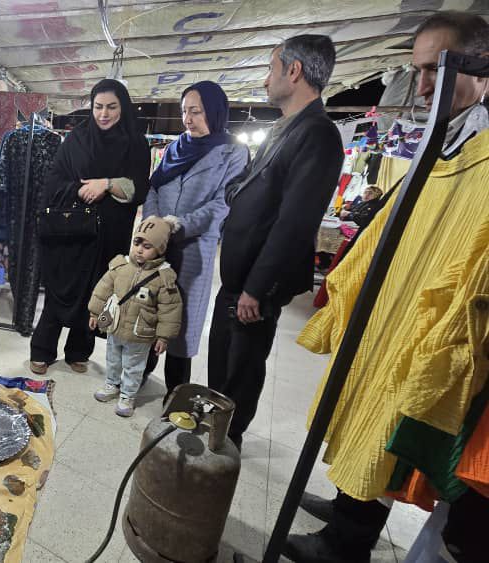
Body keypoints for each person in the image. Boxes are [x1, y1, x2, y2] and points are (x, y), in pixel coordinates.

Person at [285, 12, 489, 563]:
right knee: (361, 411)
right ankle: (345, 509)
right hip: (389, 309)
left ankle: (346, 543)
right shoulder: (443, 142)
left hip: (425, 322)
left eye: (435, 70)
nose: (422, 87)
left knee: (386, 428)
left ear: (479, 68)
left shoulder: (479, 153)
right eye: (418, 71)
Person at [207, 34, 344, 450]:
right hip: (238, 282)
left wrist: (257, 287)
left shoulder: (318, 135)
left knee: (240, 372)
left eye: (271, 69)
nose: (267, 80)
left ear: (294, 70)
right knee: (222, 370)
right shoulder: (287, 129)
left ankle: (224, 447)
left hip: (254, 289)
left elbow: (294, 223)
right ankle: (214, 437)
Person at [30, 79, 151, 375]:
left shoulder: (136, 144)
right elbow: (53, 182)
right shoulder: (77, 139)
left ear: (123, 108)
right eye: (98, 107)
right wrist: (81, 189)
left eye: (111, 107)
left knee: (98, 291)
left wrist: (106, 184)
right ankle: (42, 350)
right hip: (72, 231)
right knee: (62, 288)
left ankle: (78, 351)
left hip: (110, 234)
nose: (103, 114)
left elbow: (139, 189)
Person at [143, 81, 249, 400]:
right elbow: (153, 187)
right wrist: (153, 225)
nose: (188, 119)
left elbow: (222, 203)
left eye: (196, 111)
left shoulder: (233, 152)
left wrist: (177, 226)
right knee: (148, 310)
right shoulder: (176, 147)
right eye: (184, 111)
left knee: (182, 322)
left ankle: (176, 392)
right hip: (157, 246)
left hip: (193, 249)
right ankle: (139, 372)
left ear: (214, 112)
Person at [88, 217, 183, 417]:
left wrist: (164, 336)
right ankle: (111, 384)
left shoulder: (164, 277)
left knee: (134, 367)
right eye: (137, 243)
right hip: (115, 326)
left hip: (141, 333)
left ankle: (127, 395)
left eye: (147, 246)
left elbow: (170, 309)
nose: (139, 250)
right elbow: (102, 289)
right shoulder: (120, 266)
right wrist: (94, 312)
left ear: (160, 249)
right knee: (113, 359)